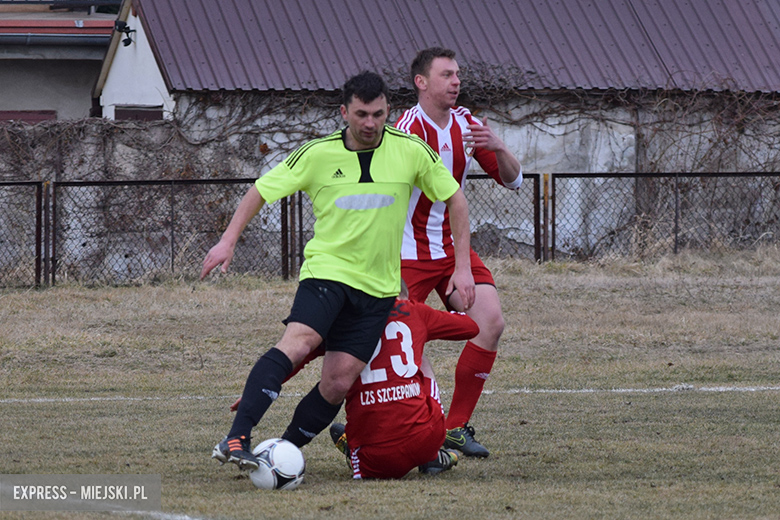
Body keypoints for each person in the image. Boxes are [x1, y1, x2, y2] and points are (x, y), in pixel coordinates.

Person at [201, 70, 476, 471]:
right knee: (299, 340)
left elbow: (457, 199)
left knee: (337, 383)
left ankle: (281, 454)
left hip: (379, 290)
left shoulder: (411, 150)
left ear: (388, 112)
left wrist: (463, 268)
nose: (370, 123)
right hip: (327, 274)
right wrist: (227, 241)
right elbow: (261, 189)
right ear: (344, 112)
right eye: (362, 114)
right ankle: (237, 437)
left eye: (378, 114)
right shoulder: (317, 154)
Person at [395, 47, 523, 458]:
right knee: (400, 340)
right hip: (405, 253)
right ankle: (413, 430)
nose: (456, 82)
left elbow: (514, 181)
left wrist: (499, 146)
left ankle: (454, 428)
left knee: (490, 320)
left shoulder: (467, 124)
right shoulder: (404, 131)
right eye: (447, 75)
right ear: (422, 82)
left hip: (451, 248)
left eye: (458, 75)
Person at [231, 280, 480, 479]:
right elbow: (471, 327)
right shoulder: (414, 311)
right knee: (420, 361)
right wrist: (440, 307)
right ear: (402, 296)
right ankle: (432, 453)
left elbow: (297, 357)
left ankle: (351, 450)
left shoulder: (343, 324)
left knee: (339, 386)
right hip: (426, 436)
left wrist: (263, 385)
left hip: (376, 458)